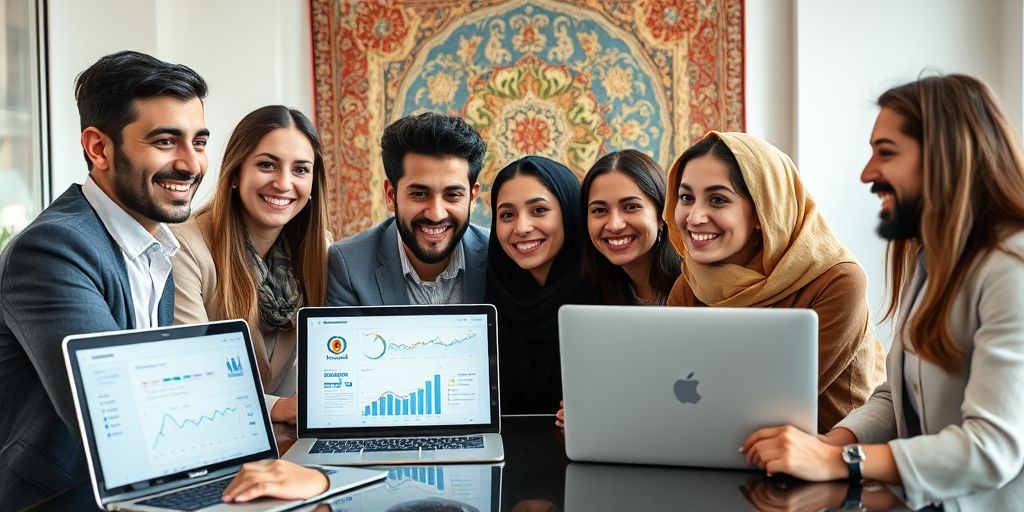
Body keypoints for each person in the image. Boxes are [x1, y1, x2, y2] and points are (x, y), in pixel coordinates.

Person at [742, 75, 1024, 510]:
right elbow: (898, 396)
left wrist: (844, 461)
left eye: (885, 153)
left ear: (944, 157)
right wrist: (830, 443)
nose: (867, 173)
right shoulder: (931, 261)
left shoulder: (1011, 267)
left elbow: (991, 449)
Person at [0, 50, 209, 506]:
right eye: (165, 141)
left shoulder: (155, 247)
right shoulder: (53, 249)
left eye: (199, 142)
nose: (191, 164)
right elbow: (114, 415)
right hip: (59, 497)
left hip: (135, 487)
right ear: (99, 148)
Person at [665, 132, 885, 432]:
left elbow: (778, 401)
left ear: (763, 210)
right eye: (686, 198)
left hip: (827, 456)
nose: (694, 216)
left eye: (717, 199)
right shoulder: (692, 282)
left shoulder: (838, 280)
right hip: (719, 444)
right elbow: (678, 389)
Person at [172, 105, 328, 427]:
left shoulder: (320, 249)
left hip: (286, 440)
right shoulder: (184, 247)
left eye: (300, 170)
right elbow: (193, 374)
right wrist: (276, 407)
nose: (284, 184)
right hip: (213, 431)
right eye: (267, 165)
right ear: (235, 173)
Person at [326, 112, 489, 306]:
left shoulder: (501, 256)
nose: (436, 214)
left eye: (452, 195)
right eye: (419, 194)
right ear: (390, 196)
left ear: (472, 197)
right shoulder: (348, 265)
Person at [486, 156, 587, 415]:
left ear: (568, 211)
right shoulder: (488, 288)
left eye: (539, 210)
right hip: (506, 449)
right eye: (507, 215)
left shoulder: (606, 287)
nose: (521, 227)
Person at [580, 149, 680, 305]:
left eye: (631, 207)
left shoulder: (696, 287)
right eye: (599, 210)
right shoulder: (589, 292)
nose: (614, 225)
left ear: (662, 215)